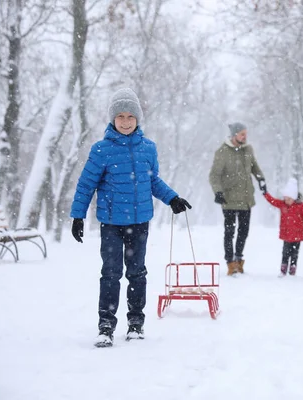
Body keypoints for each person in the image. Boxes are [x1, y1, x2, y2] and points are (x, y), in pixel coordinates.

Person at [70, 88, 191, 348]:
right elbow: (86, 184)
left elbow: (153, 181)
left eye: (130, 116)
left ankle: (136, 323)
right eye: (120, 116)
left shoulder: (148, 148)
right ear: (112, 119)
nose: (125, 121)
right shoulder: (101, 150)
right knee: (111, 274)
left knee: (137, 273)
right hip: (112, 223)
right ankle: (106, 326)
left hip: (139, 222)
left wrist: (172, 198)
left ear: (138, 119)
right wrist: (77, 216)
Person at [209, 122, 265, 276]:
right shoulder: (222, 152)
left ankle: (239, 258)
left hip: (246, 199)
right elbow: (214, 175)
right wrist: (218, 192)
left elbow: (254, 167)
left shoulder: (248, 149)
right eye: (242, 134)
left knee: (244, 231)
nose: (245, 137)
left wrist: (261, 179)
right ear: (234, 135)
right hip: (229, 199)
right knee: (230, 232)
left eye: (246, 134)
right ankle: (230, 262)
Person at [263, 177, 303, 277]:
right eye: (285, 198)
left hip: (297, 235)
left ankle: (292, 270)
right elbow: (272, 201)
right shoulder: (282, 204)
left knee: (294, 254)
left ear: (294, 198)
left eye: (288, 199)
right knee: (285, 253)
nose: (286, 200)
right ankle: (283, 270)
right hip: (286, 235)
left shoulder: (301, 206)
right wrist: (265, 193)